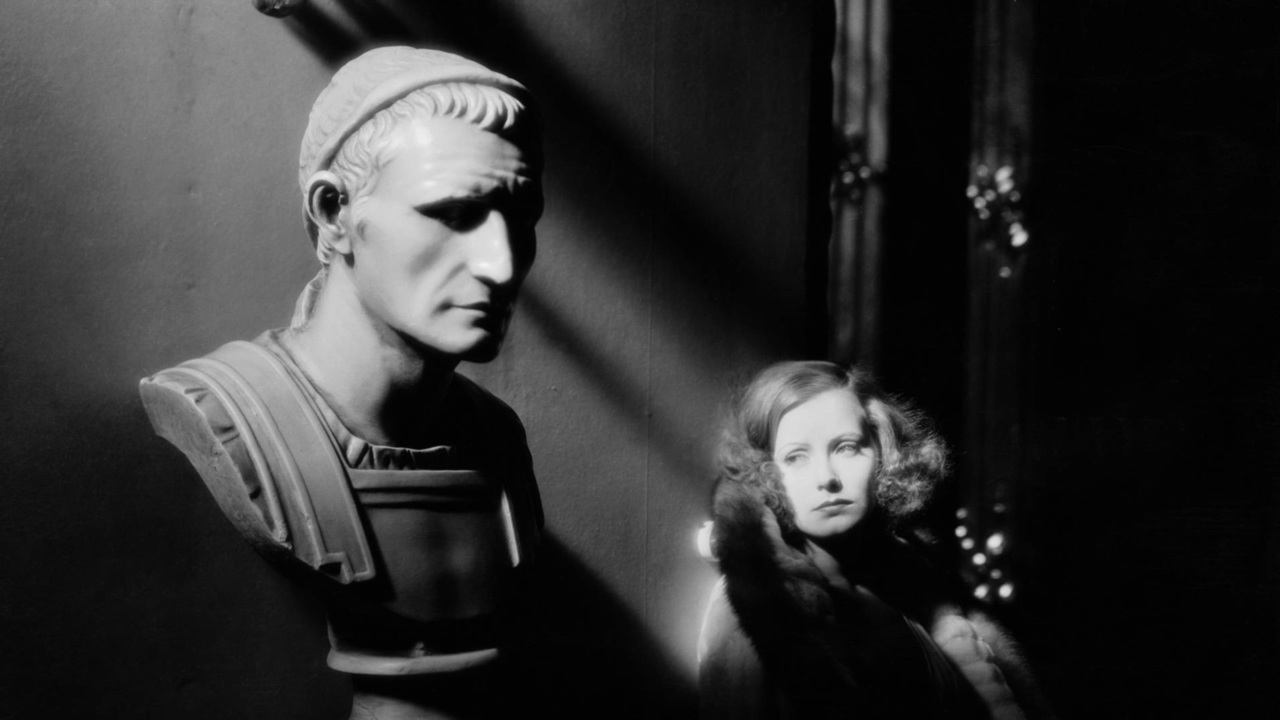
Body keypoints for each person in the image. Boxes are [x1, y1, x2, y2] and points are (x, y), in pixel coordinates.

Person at [139, 47, 544, 717]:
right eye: (453, 212)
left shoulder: (497, 437)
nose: (501, 265)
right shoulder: (226, 411)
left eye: (522, 215)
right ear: (334, 213)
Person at [698, 361, 1052, 720]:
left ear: (882, 453)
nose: (827, 477)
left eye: (847, 447)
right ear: (764, 473)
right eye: (796, 457)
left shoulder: (915, 581)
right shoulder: (749, 608)